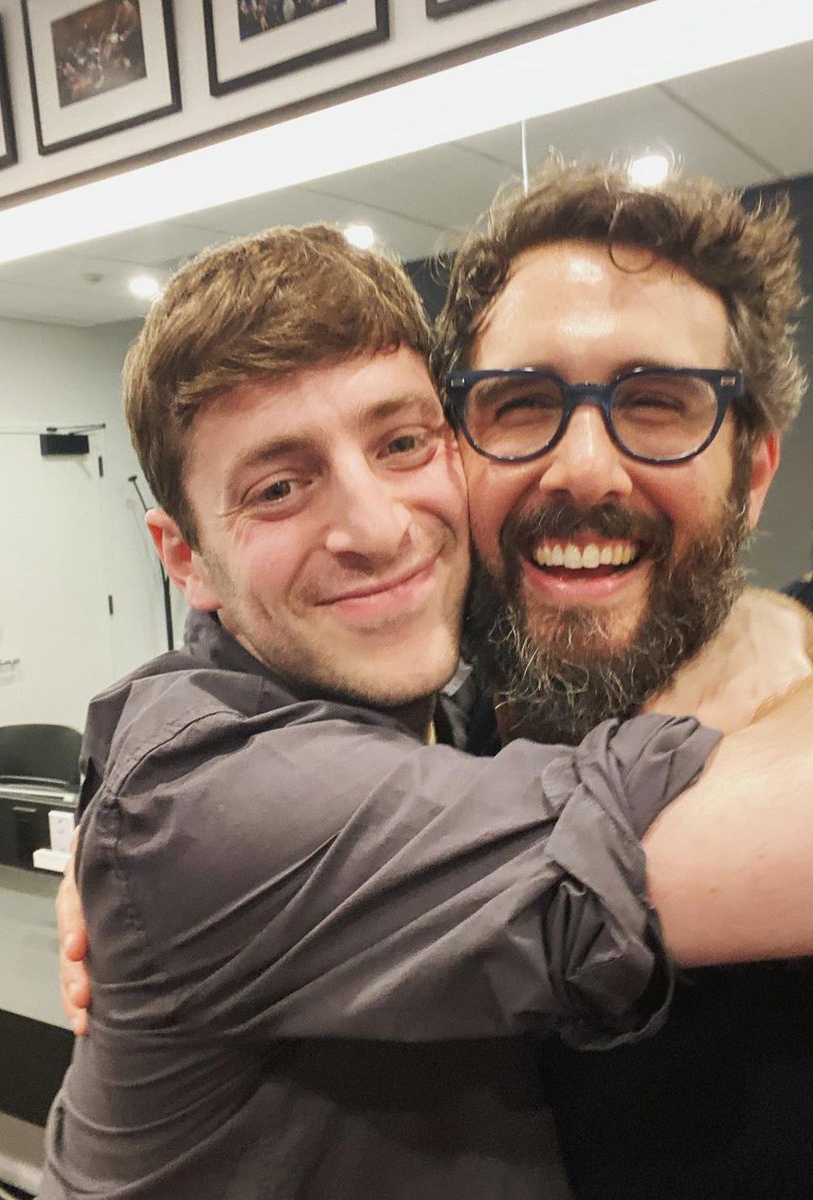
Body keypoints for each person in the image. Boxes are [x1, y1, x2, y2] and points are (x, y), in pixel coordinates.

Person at [42, 218, 813, 1200]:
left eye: (402, 443)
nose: (374, 527)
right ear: (183, 555)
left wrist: (775, 620)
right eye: (279, 487)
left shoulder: (471, 701)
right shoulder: (195, 805)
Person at [432, 161, 813, 1198]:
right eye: (520, 403)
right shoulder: (426, 736)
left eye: (656, 403)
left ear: (754, 471)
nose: (585, 469)